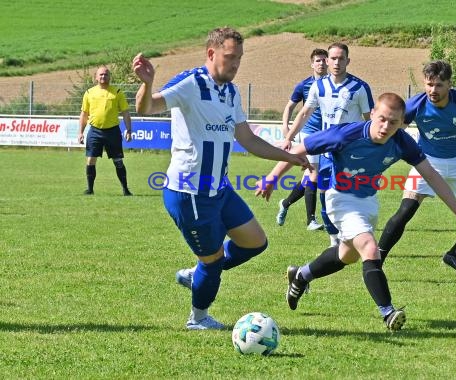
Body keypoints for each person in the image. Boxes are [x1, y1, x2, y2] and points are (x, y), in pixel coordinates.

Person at [132, 27, 309, 330]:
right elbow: (146, 107)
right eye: (230, 57)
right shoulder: (190, 83)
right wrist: (147, 85)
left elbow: (248, 139)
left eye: (239, 58)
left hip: (220, 188)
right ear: (211, 54)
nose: (235, 64)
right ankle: (198, 318)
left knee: (255, 242)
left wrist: (289, 157)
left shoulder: (231, 92)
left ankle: (198, 272)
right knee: (213, 261)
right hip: (190, 192)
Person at [256, 93, 456, 331]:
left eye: (393, 122)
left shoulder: (401, 141)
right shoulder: (345, 134)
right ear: (372, 114)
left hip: (368, 201)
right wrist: (271, 178)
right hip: (339, 198)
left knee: (347, 255)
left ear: (402, 122)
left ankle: (301, 275)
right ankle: (388, 312)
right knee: (370, 248)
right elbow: (298, 150)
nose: (386, 126)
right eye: (382, 119)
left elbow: (431, 175)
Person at [377, 60, 456, 280]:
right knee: (405, 211)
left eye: (439, 85)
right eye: (429, 84)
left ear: (450, 84)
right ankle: (376, 262)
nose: (433, 90)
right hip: (427, 163)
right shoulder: (415, 105)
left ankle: (455, 254)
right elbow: (394, 133)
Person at [281, 42, 374, 246]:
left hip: (352, 151)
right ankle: (334, 239)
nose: (336, 62)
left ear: (348, 61)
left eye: (341, 58)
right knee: (326, 194)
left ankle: (357, 231)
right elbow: (304, 113)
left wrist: (371, 147)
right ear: (327, 60)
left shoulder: (359, 87)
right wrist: (289, 137)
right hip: (326, 151)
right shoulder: (318, 86)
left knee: (350, 192)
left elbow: (369, 120)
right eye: (333, 58)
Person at [277, 48, 328, 231]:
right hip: (309, 132)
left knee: (310, 176)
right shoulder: (304, 85)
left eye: (324, 60)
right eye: (318, 60)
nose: (321, 63)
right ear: (312, 64)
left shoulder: (333, 84)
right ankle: (311, 221)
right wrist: (286, 128)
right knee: (314, 173)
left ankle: (285, 203)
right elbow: (290, 107)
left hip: (328, 134)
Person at [78, 65, 133, 196]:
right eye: (101, 74)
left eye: (106, 74)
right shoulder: (89, 93)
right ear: (96, 77)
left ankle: (125, 189)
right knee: (90, 159)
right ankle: (90, 189)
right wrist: (80, 132)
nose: (103, 76)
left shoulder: (117, 92)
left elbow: (125, 112)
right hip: (95, 131)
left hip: (113, 132)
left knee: (118, 161)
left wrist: (129, 130)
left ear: (110, 77)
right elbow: (84, 114)